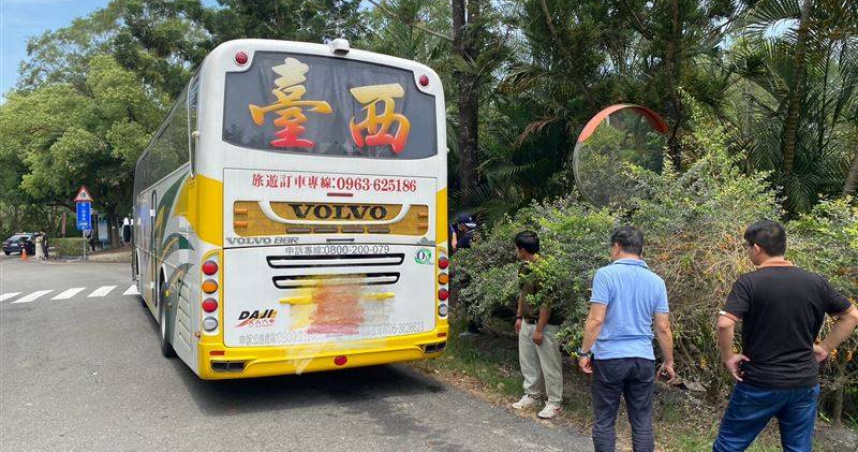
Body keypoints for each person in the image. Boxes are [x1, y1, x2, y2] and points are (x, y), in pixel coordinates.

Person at [713, 220, 858, 452]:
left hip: (759, 382)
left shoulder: (749, 283)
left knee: (729, 446)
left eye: (747, 247)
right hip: (803, 383)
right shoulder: (815, 282)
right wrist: (824, 347)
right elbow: (851, 315)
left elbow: (724, 324)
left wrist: (729, 357)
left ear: (756, 248)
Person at [578, 226, 676, 452]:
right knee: (642, 421)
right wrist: (669, 362)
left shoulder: (605, 275)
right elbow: (663, 327)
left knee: (605, 419)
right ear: (640, 249)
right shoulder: (657, 281)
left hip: (610, 358)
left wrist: (584, 353)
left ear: (617, 247)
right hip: (643, 359)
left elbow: (596, 320)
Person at [511, 230, 564, 419]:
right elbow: (522, 294)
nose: (516, 251)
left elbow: (547, 302)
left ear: (522, 250)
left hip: (544, 326)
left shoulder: (544, 269)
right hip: (527, 321)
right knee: (528, 362)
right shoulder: (524, 267)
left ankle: (554, 402)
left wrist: (540, 329)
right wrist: (519, 317)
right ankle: (532, 395)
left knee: (550, 365)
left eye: (516, 248)